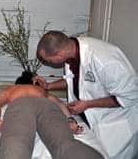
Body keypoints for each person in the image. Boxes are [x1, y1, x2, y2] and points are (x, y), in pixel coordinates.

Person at [35, 30, 138, 158]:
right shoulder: (72, 52)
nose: (48, 63)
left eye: (48, 60)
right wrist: (49, 86)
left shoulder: (104, 60)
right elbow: (73, 79)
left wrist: (88, 104)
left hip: (116, 123)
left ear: (59, 54)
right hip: (89, 121)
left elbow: (130, 96)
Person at [0, 71, 83, 134]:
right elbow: (60, 104)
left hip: (20, 108)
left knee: (17, 122)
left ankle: (9, 127)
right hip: (41, 107)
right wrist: (70, 119)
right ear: (34, 83)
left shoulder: (12, 89)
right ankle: (67, 127)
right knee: (50, 122)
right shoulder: (39, 90)